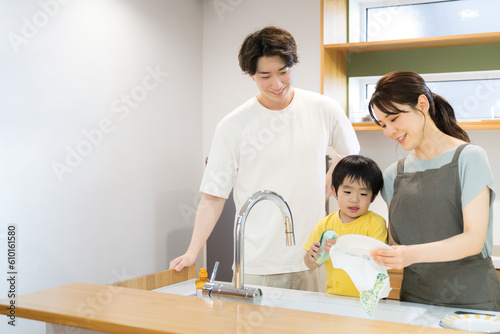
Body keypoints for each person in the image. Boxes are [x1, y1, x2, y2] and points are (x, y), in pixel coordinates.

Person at [169, 26, 360, 291]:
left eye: (283, 72)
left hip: (314, 257)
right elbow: (213, 197)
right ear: (251, 75)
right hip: (257, 265)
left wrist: (327, 185)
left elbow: (352, 158)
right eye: (265, 76)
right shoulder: (233, 125)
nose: (277, 84)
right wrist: (192, 251)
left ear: (292, 65)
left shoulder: (323, 109)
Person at [368, 71, 500, 311]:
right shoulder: (392, 175)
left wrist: (409, 255)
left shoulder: (469, 158)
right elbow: (394, 243)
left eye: (394, 118)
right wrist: (346, 240)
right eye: (383, 124)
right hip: (414, 300)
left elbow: (473, 240)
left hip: (472, 300)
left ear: (422, 104)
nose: (389, 131)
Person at [304, 155, 387, 296]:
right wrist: (312, 256)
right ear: (335, 192)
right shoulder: (325, 223)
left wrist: (342, 247)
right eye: (347, 192)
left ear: (373, 197)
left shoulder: (375, 223)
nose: (354, 200)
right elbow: (310, 264)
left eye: (363, 194)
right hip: (334, 296)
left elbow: (375, 262)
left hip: (368, 300)